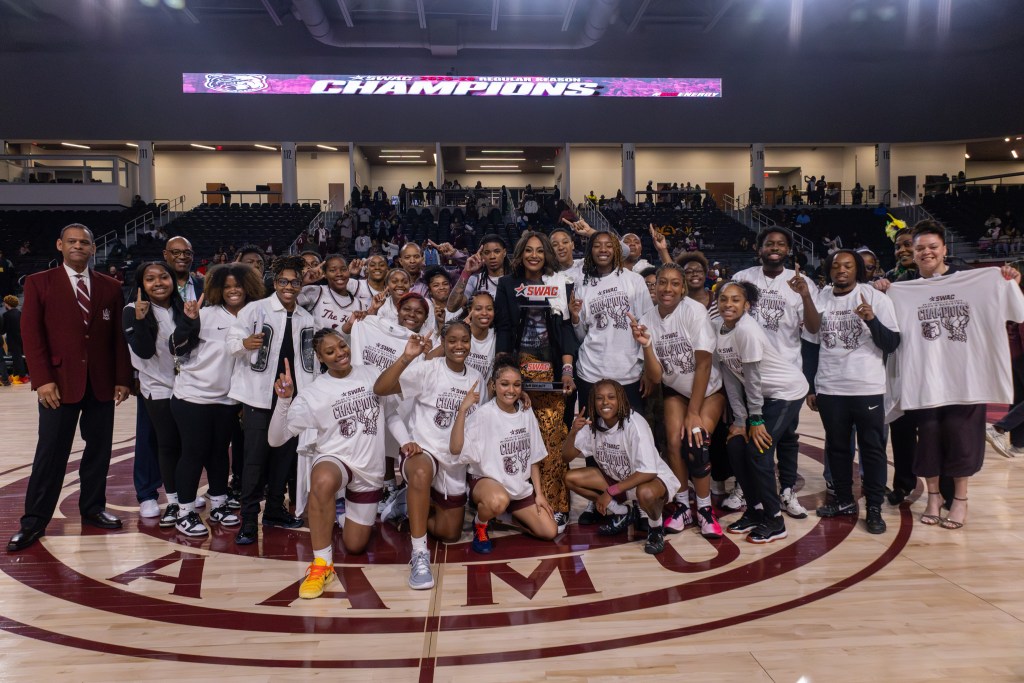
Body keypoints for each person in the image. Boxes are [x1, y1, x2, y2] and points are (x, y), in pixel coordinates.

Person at [882, 222, 1024, 529]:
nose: (925, 252)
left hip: (968, 378)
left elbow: (1017, 311)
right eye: (919, 248)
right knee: (929, 440)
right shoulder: (900, 288)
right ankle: (933, 497)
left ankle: (960, 500)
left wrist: (1009, 281)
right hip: (925, 379)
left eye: (932, 247)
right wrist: (883, 290)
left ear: (945, 249)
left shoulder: (976, 280)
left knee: (962, 441)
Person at [8, 224, 132, 552]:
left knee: (99, 451)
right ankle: (34, 521)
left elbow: (118, 339)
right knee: (50, 453)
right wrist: (42, 380)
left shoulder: (110, 286)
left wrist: (123, 378)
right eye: (72, 241)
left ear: (93, 248)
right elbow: (31, 335)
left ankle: (92, 508)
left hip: (102, 383)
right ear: (60, 245)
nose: (78, 246)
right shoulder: (39, 283)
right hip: (58, 385)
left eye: (85, 242)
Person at [270, 329, 412, 599]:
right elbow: (276, 439)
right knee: (322, 480)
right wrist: (284, 400)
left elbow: (391, 414)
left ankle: (341, 514)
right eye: (330, 351)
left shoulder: (371, 373)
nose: (340, 353)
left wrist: (404, 442)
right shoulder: (314, 392)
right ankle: (322, 564)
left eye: (342, 346)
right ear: (321, 358)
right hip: (335, 459)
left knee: (355, 544)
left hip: (369, 471)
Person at [373, 321, 484, 590]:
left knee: (450, 534)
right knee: (421, 472)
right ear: (443, 344)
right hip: (423, 451)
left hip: (454, 459)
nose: (459, 346)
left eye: (464, 340)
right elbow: (381, 388)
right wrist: (407, 357)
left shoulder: (476, 378)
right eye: (453, 340)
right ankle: (419, 552)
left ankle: (407, 507)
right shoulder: (428, 370)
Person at [807, 250, 900, 534]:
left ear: (857, 269)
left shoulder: (876, 299)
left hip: (867, 386)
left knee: (871, 449)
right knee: (836, 447)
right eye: (836, 265)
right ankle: (844, 500)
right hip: (830, 385)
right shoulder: (820, 298)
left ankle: (873, 506)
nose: (841, 270)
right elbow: (810, 344)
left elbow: (892, 343)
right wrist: (811, 385)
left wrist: (872, 319)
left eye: (848, 265)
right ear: (829, 270)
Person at [227, 255, 317, 545]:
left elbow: (310, 362)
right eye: (283, 281)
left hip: (292, 399)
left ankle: (275, 510)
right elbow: (231, 341)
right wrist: (244, 344)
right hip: (258, 397)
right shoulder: (256, 310)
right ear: (275, 282)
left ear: (301, 284)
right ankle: (249, 520)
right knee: (254, 461)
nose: (289, 286)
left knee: (284, 459)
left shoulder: (306, 317)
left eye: (294, 282)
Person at [170, 263, 264, 536]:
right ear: (217, 289)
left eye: (238, 285)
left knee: (220, 453)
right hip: (192, 395)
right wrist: (189, 322)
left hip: (228, 400)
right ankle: (185, 511)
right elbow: (175, 347)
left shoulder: (255, 315)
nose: (233, 290)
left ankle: (220, 503)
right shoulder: (205, 314)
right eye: (227, 286)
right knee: (193, 452)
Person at [733, 229, 820, 518]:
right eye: (769, 243)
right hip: (749, 372)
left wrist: (805, 295)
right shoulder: (744, 277)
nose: (775, 248)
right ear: (759, 248)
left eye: (781, 244)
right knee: (748, 430)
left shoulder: (802, 282)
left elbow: (813, 328)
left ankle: (786, 490)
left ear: (788, 250)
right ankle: (745, 488)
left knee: (786, 436)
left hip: (785, 374)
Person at [633, 263, 725, 538]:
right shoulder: (647, 318)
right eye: (662, 282)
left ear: (683, 288)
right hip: (675, 390)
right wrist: (647, 345)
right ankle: (683, 506)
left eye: (675, 283)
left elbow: (704, 364)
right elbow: (656, 376)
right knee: (673, 441)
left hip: (708, 389)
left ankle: (706, 509)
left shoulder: (693, 311)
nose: (668, 288)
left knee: (696, 439)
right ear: (655, 286)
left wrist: (693, 412)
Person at [494, 232, 578, 532]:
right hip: (518, 371)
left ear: (547, 256)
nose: (534, 255)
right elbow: (503, 329)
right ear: (520, 253)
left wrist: (567, 370)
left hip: (552, 372)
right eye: (528, 250)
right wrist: (503, 373)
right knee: (516, 440)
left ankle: (558, 505)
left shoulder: (559, 284)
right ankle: (518, 504)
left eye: (539, 251)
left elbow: (566, 330)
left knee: (553, 439)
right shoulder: (506, 285)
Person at [714, 280, 808, 544]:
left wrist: (754, 419)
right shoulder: (718, 328)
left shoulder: (748, 330)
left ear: (747, 305)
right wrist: (741, 421)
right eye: (724, 299)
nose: (728, 304)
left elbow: (752, 379)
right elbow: (732, 376)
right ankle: (755, 511)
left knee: (758, 450)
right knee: (735, 445)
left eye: (735, 300)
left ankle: (775, 520)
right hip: (765, 396)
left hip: (787, 391)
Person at [450, 358, 558, 554]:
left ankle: (504, 515)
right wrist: (463, 410)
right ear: (493, 385)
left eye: (517, 385)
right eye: (504, 384)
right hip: (488, 482)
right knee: (498, 501)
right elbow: (456, 449)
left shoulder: (526, 411)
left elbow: (533, 457)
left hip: (517, 487)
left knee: (549, 531)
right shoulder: (484, 415)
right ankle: (480, 524)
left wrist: (539, 495)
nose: (511, 390)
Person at [561, 379, 681, 555]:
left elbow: (648, 471)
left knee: (645, 493)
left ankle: (655, 529)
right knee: (570, 479)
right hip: (618, 480)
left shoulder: (635, 424)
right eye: (599, 398)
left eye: (611, 397)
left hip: (650, 480)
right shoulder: (592, 424)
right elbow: (566, 457)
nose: (605, 402)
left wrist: (610, 492)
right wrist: (573, 432)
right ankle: (623, 512)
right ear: (593, 401)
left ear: (621, 400)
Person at [123, 262, 201, 530]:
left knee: (186, 444)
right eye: (150, 279)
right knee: (166, 444)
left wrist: (191, 321)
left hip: (186, 385)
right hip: (157, 387)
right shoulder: (132, 310)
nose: (158, 282)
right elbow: (143, 352)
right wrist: (141, 321)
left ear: (173, 280)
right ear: (141, 284)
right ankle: (173, 500)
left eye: (164, 277)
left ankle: (185, 494)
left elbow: (185, 348)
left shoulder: (183, 307)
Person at [298, 254, 365, 331]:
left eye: (343, 269)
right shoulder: (315, 292)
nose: (339, 274)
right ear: (325, 274)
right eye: (332, 270)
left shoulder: (360, 305)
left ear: (348, 272)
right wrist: (303, 282)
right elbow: (286, 303)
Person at [446, 235, 510, 313]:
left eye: (497, 251)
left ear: (504, 252)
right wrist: (466, 272)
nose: (492, 256)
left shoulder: (516, 279)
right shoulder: (475, 280)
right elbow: (451, 307)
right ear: (481, 255)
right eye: (487, 252)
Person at [2, 295, 26, 382]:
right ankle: (16, 374)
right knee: (18, 357)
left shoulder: (6, 315)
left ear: (7, 304)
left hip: (12, 339)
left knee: (16, 358)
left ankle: (21, 376)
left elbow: (3, 330)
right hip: (22, 338)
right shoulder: (20, 313)